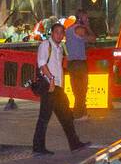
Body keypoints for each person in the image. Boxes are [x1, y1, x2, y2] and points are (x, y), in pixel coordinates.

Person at [32, 22, 84, 156]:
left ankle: (75, 144)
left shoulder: (60, 47)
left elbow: (59, 65)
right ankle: (38, 147)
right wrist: (52, 80)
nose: (59, 35)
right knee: (44, 117)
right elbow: (42, 64)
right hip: (50, 86)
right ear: (52, 33)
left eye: (62, 32)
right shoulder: (45, 45)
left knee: (66, 116)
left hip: (58, 87)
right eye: (57, 32)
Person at [64, 11, 92, 118]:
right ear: (80, 18)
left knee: (76, 89)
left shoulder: (69, 30)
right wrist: (87, 26)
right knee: (82, 89)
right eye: (86, 18)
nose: (87, 20)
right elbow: (93, 38)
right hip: (79, 63)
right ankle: (78, 114)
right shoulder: (80, 29)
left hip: (71, 63)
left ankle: (80, 112)